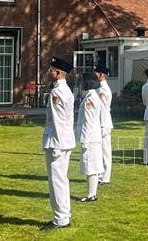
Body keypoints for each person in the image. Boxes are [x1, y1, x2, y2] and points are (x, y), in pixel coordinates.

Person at [41, 57, 75, 230]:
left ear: (58, 73)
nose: (49, 73)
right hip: (64, 140)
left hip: (57, 141)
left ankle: (60, 219)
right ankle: (64, 215)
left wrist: (56, 144)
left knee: (57, 180)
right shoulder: (66, 90)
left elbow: (58, 120)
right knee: (61, 179)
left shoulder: (57, 92)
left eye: (51, 70)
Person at [76, 73, 103, 202]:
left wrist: (85, 140)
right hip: (94, 136)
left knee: (91, 166)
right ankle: (91, 193)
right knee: (92, 165)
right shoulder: (93, 96)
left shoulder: (89, 99)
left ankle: (91, 194)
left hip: (90, 137)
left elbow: (88, 121)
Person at [95, 64, 113, 185]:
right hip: (100, 121)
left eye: (96, 73)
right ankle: (101, 175)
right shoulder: (99, 88)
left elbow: (101, 108)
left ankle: (105, 176)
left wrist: (101, 125)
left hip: (104, 122)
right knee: (100, 150)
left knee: (105, 151)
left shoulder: (103, 90)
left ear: (101, 75)